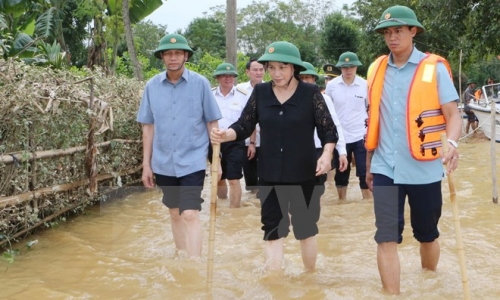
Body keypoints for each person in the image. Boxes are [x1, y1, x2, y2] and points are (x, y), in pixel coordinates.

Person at [210, 41, 338, 271]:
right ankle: (275, 282)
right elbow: (243, 124)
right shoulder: (260, 92)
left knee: (305, 229)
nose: (276, 73)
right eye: (271, 67)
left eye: (282, 67)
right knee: (272, 230)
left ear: (294, 68)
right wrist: (224, 134)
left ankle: (310, 278)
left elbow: (328, 130)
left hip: (304, 173)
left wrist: (327, 154)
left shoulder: (310, 93)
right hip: (269, 173)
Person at [365, 5, 462, 294]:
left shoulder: (433, 69)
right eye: (387, 32)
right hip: (384, 168)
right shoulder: (376, 69)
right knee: (385, 237)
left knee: (427, 235)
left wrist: (453, 144)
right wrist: (369, 163)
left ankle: (429, 283)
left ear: (413, 31)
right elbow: (374, 121)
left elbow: (453, 115)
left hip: (425, 170)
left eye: (398, 30)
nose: (392, 37)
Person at [136, 33, 222, 258]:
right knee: (175, 213)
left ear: (185, 56)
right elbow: (148, 127)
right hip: (163, 162)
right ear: (162, 57)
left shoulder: (200, 84)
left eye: (177, 53)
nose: (173, 57)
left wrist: (216, 160)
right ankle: (181, 256)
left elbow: (212, 123)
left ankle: (194, 263)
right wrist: (146, 165)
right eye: (168, 53)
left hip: (193, 160)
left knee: (190, 214)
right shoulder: (152, 86)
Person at [325, 51, 372, 200]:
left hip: (360, 135)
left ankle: (367, 202)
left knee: (364, 171)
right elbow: (327, 110)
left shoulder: (365, 85)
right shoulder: (332, 86)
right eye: (345, 67)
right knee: (341, 172)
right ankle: (342, 202)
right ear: (340, 68)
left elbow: (369, 109)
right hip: (340, 137)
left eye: (351, 66)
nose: (348, 70)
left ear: (356, 67)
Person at [299, 61, 348, 184]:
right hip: (296, 150)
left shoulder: (324, 99)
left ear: (314, 79)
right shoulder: (288, 98)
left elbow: (335, 125)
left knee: (317, 187)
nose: (304, 81)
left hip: (318, 149)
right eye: (301, 77)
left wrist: (342, 152)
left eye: (308, 77)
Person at [209, 62, 248, 208]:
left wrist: (251, 143)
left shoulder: (243, 96)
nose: (228, 78)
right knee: (218, 177)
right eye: (224, 76)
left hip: (235, 142)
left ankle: (234, 213)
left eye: (231, 75)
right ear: (217, 78)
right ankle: (223, 203)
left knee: (234, 178)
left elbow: (249, 121)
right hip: (214, 142)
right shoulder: (210, 95)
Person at [236, 58, 265, 194]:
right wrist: (251, 142)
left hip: (267, 140)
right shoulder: (239, 90)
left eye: (261, 70)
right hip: (246, 141)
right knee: (251, 180)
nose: (258, 73)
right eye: (255, 70)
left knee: (266, 176)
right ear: (247, 72)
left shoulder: (272, 88)